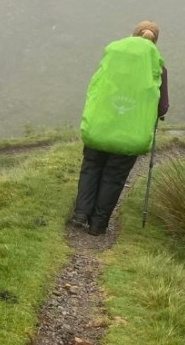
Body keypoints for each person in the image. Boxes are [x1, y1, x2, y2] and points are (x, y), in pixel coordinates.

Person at [69, 21, 169, 236]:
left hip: (100, 127)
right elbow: (162, 108)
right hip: (129, 137)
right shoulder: (157, 67)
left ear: (132, 35)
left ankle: (80, 215)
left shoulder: (113, 57)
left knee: (91, 168)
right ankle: (98, 225)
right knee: (113, 177)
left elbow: (96, 87)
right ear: (155, 41)